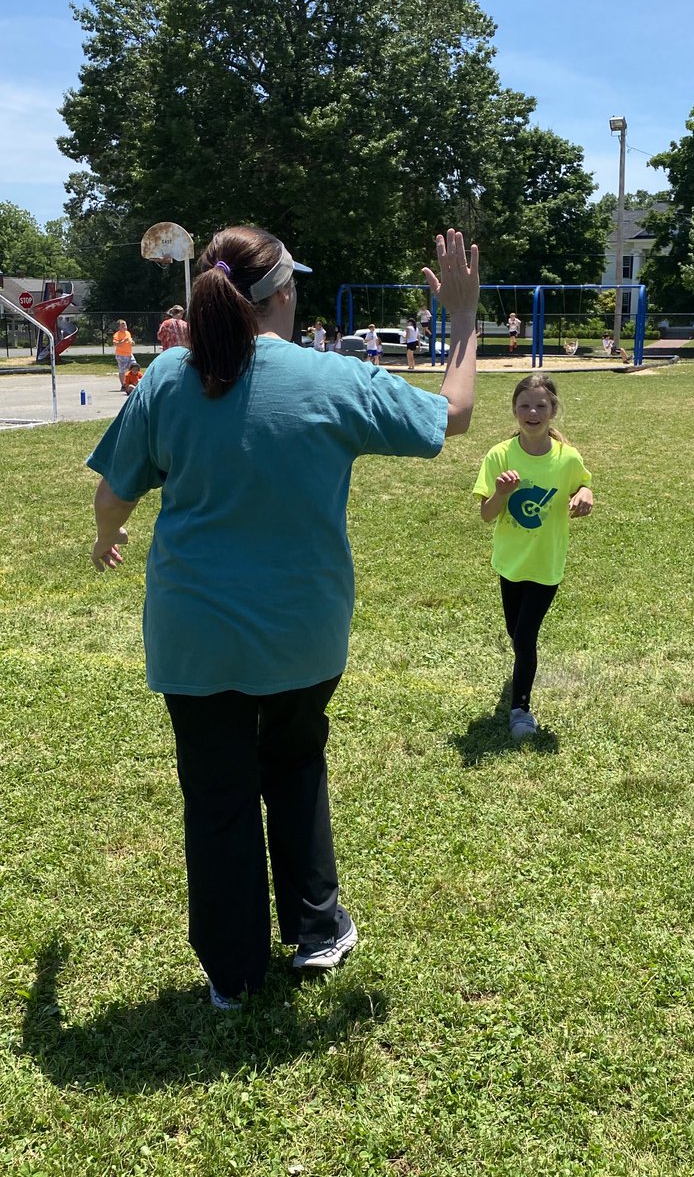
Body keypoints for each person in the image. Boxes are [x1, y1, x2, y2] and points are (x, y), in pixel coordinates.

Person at [87, 226, 479, 1009]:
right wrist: (463, 322)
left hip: (193, 638)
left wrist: (108, 536)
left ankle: (232, 976)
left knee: (216, 793)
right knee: (295, 765)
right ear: (285, 294)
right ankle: (315, 931)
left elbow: (113, 495)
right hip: (302, 632)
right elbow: (454, 414)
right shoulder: (334, 378)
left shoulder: (167, 375)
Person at [473, 374, 593, 740]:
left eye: (541, 405)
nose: (532, 412)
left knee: (525, 636)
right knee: (515, 633)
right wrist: (502, 492)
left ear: (553, 410)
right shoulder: (500, 455)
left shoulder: (567, 458)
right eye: (524, 405)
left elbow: (583, 483)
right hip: (510, 562)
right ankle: (519, 680)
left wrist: (586, 493)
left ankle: (520, 709)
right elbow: (486, 514)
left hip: (546, 563)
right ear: (514, 410)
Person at [112, 319, 134, 390]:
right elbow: (115, 343)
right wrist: (123, 341)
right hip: (121, 355)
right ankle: (123, 385)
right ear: (119, 327)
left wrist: (132, 342)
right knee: (122, 370)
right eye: (122, 326)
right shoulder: (117, 334)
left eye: (125, 325)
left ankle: (133, 382)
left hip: (129, 354)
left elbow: (130, 340)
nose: (124, 327)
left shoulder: (128, 333)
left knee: (134, 366)